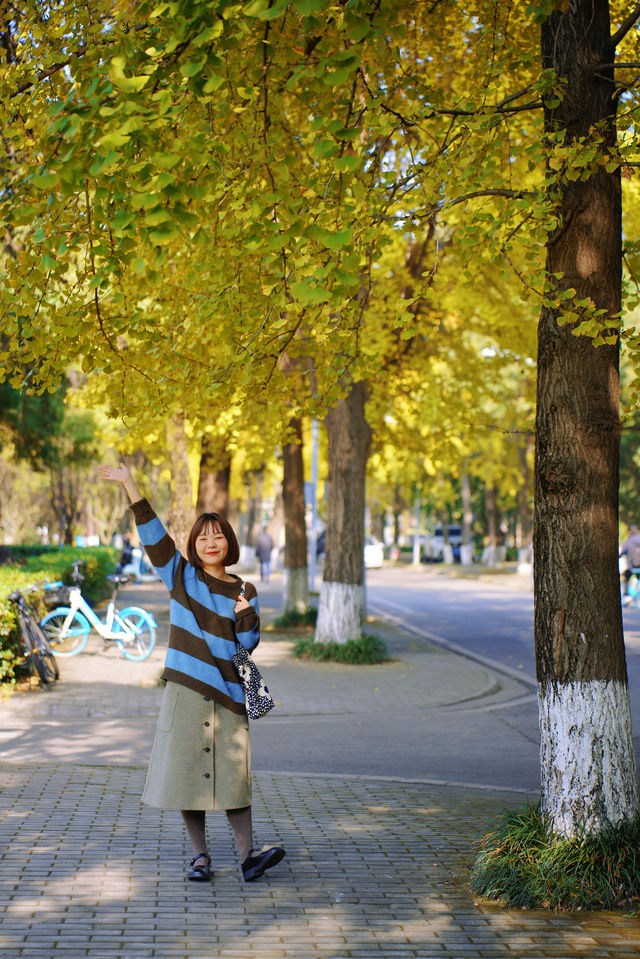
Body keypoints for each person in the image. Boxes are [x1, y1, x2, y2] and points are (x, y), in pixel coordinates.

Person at [97, 462, 286, 883]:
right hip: (185, 693)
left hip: (230, 696)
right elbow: (154, 537)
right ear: (194, 546)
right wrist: (131, 486)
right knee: (187, 776)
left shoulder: (243, 589)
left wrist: (246, 615)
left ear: (229, 542)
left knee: (235, 779)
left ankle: (247, 856)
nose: (211, 542)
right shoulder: (181, 577)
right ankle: (199, 857)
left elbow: (249, 645)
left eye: (218, 535)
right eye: (203, 537)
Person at [621, 524, 640, 600]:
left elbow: (622, 553)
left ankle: (626, 596)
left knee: (625, 577)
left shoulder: (629, 541)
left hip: (632, 568)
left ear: (630, 532)